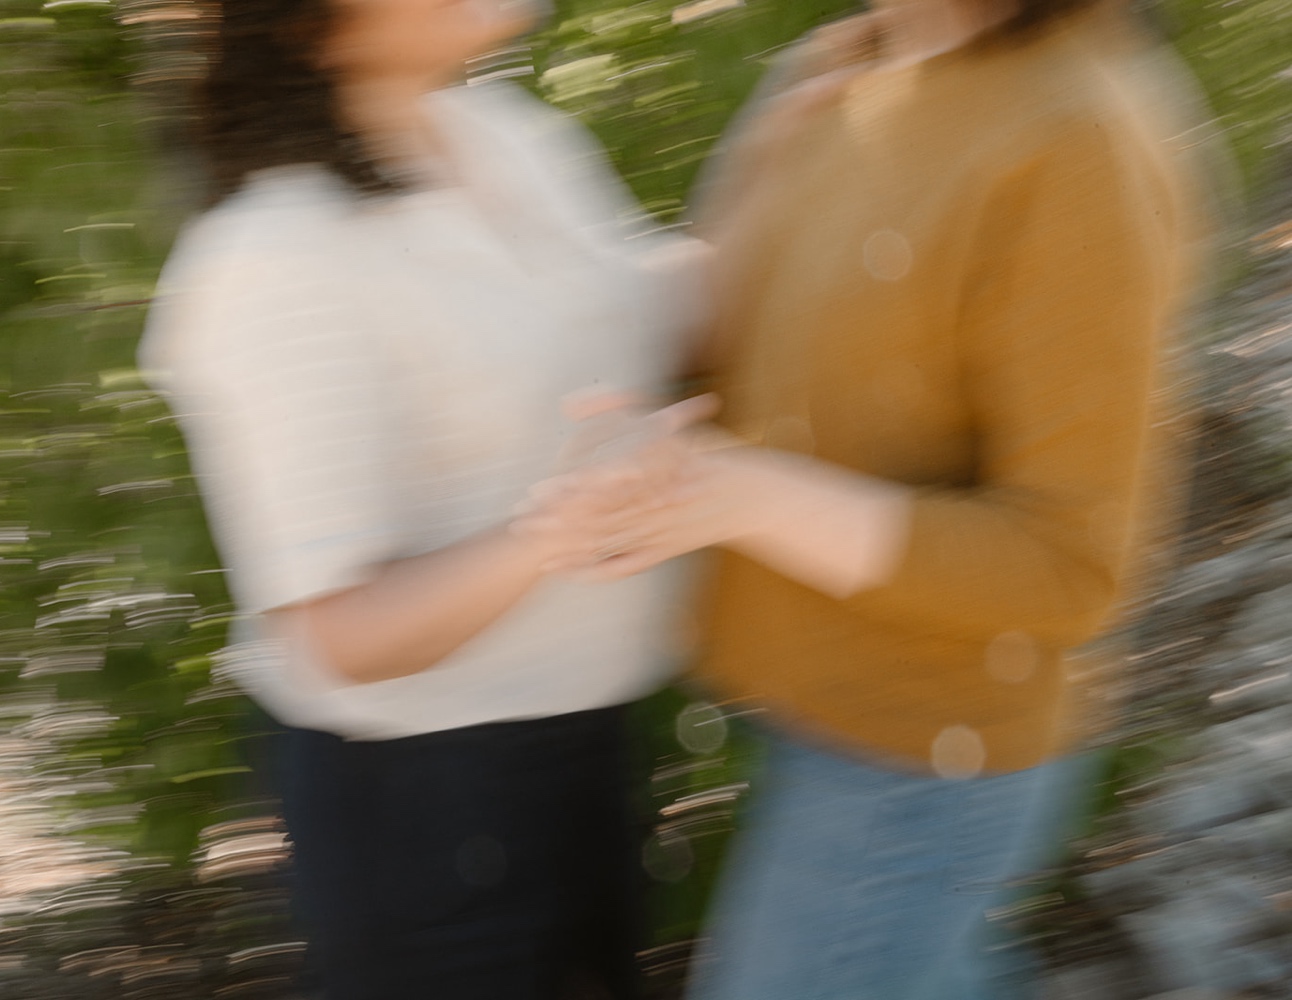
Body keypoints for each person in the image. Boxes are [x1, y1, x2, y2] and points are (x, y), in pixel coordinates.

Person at [523, 0, 1214, 995]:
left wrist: (743, 495)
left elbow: (1071, 566)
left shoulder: (1081, 138)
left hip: (915, 762)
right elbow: (763, 337)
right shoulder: (858, 56)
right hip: (799, 710)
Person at [135, 0, 708, 996]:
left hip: (591, 748)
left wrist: (799, 128)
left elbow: (654, 312)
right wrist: (556, 532)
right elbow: (341, 631)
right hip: (427, 817)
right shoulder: (273, 251)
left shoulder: (508, 132)